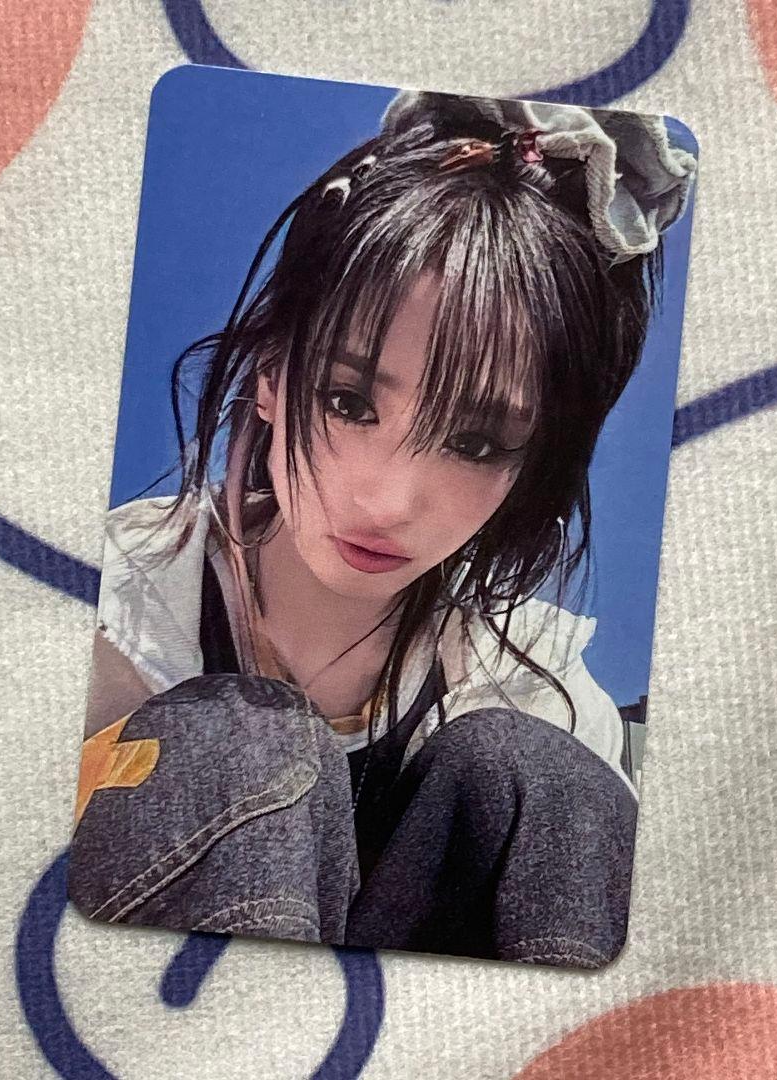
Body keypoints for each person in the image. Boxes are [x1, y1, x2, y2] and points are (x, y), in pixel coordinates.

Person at [68, 88, 695, 966]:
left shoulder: (528, 686)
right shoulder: (113, 607)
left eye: (476, 442)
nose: (391, 500)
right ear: (270, 377)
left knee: (544, 779)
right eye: (348, 401)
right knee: (240, 739)